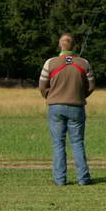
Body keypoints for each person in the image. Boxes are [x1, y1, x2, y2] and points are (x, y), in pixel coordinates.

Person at [38, 33, 96, 186]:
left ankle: (60, 179)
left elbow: (42, 87)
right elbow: (91, 86)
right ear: (74, 46)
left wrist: (50, 97)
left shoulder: (50, 63)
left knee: (58, 143)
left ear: (59, 45)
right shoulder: (84, 63)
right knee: (77, 142)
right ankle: (83, 179)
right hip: (77, 107)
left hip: (55, 107)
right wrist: (80, 96)